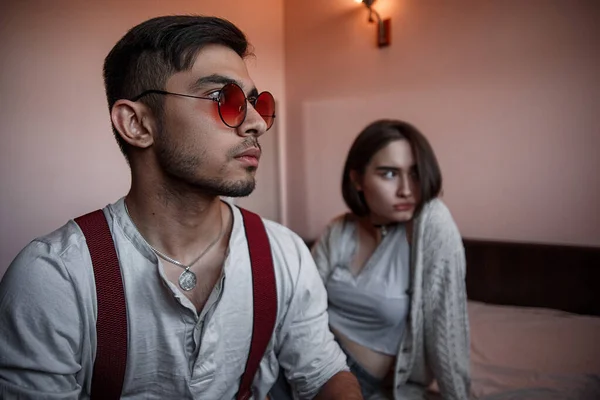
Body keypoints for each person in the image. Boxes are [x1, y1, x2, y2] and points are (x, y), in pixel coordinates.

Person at [0, 15, 363, 400]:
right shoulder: (54, 279)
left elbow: (323, 374)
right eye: (225, 99)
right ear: (137, 124)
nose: (257, 122)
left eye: (256, 103)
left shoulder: (283, 254)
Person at [311, 120, 470, 399]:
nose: (407, 190)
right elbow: (299, 307)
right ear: (357, 179)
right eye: (389, 174)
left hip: (352, 377)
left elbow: (448, 332)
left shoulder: (432, 224)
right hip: (306, 357)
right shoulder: (339, 229)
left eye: (415, 174)